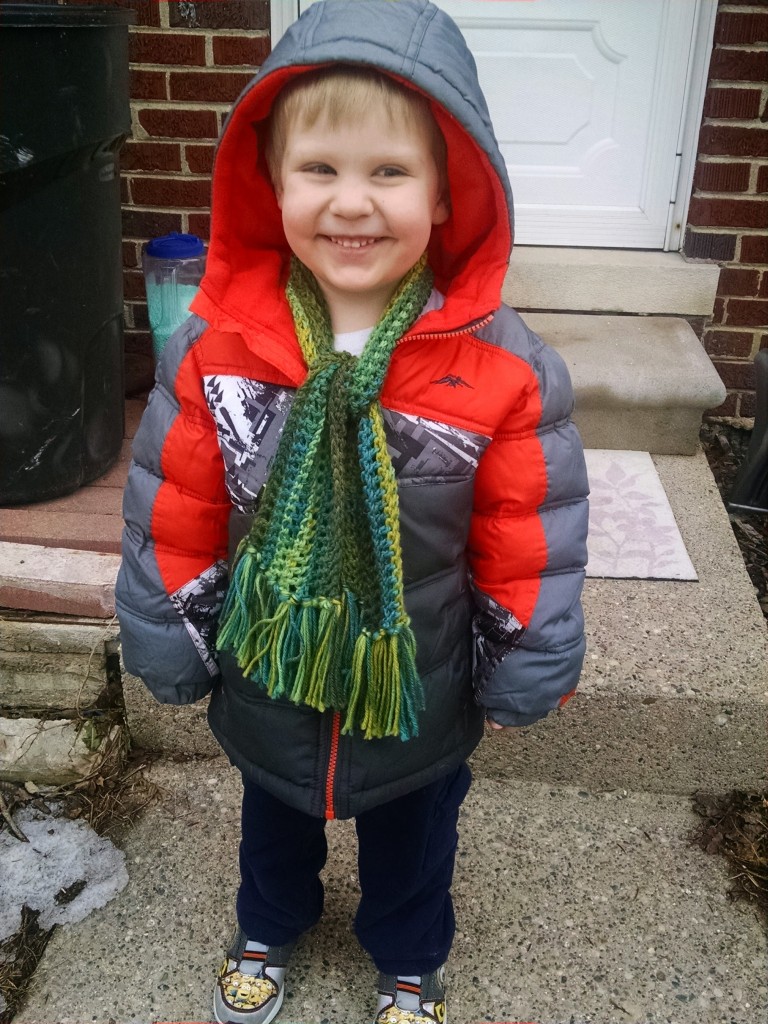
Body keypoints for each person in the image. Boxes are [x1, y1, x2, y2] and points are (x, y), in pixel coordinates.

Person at [116, 2, 589, 1022]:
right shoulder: (214, 347)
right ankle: (268, 922)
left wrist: (525, 662)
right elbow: (174, 505)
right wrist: (167, 636)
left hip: (417, 683)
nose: (352, 203)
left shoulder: (502, 368)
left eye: (390, 172)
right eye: (320, 169)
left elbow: (530, 536)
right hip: (268, 669)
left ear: (447, 192)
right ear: (271, 181)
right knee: (271, 819)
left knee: (416, 835)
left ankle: (409, 955)